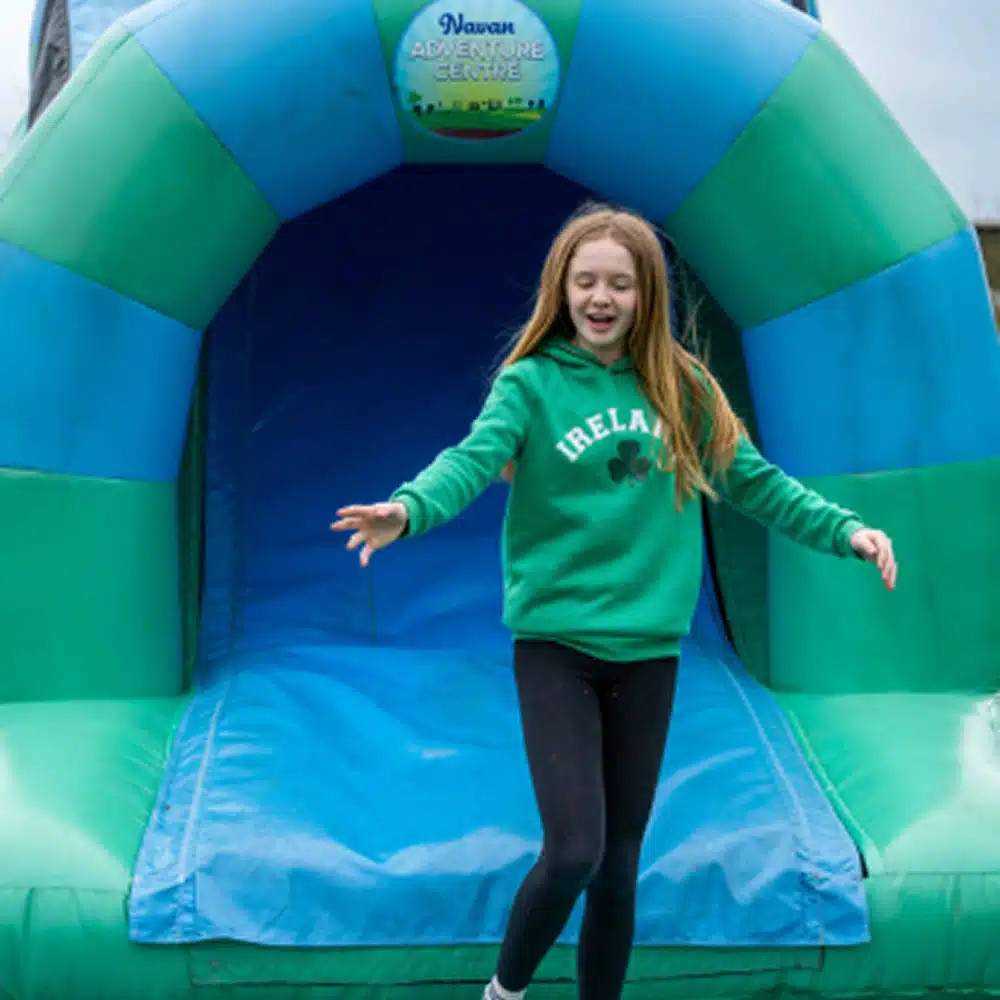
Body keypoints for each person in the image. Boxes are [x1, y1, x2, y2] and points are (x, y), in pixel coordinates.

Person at [331, 203, 897, 1000]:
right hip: (558, 645)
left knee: (621, 866)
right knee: (574, 850)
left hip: (649, 652)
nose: (602, 297)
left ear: (646, 295)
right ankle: (503, 993)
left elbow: (753, 481)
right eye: (586, 281)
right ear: (561, 290)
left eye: (621, 284)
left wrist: (848, 531)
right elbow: (470, 460)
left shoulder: (681, 386)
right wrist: (408, 509)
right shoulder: (530, 384)